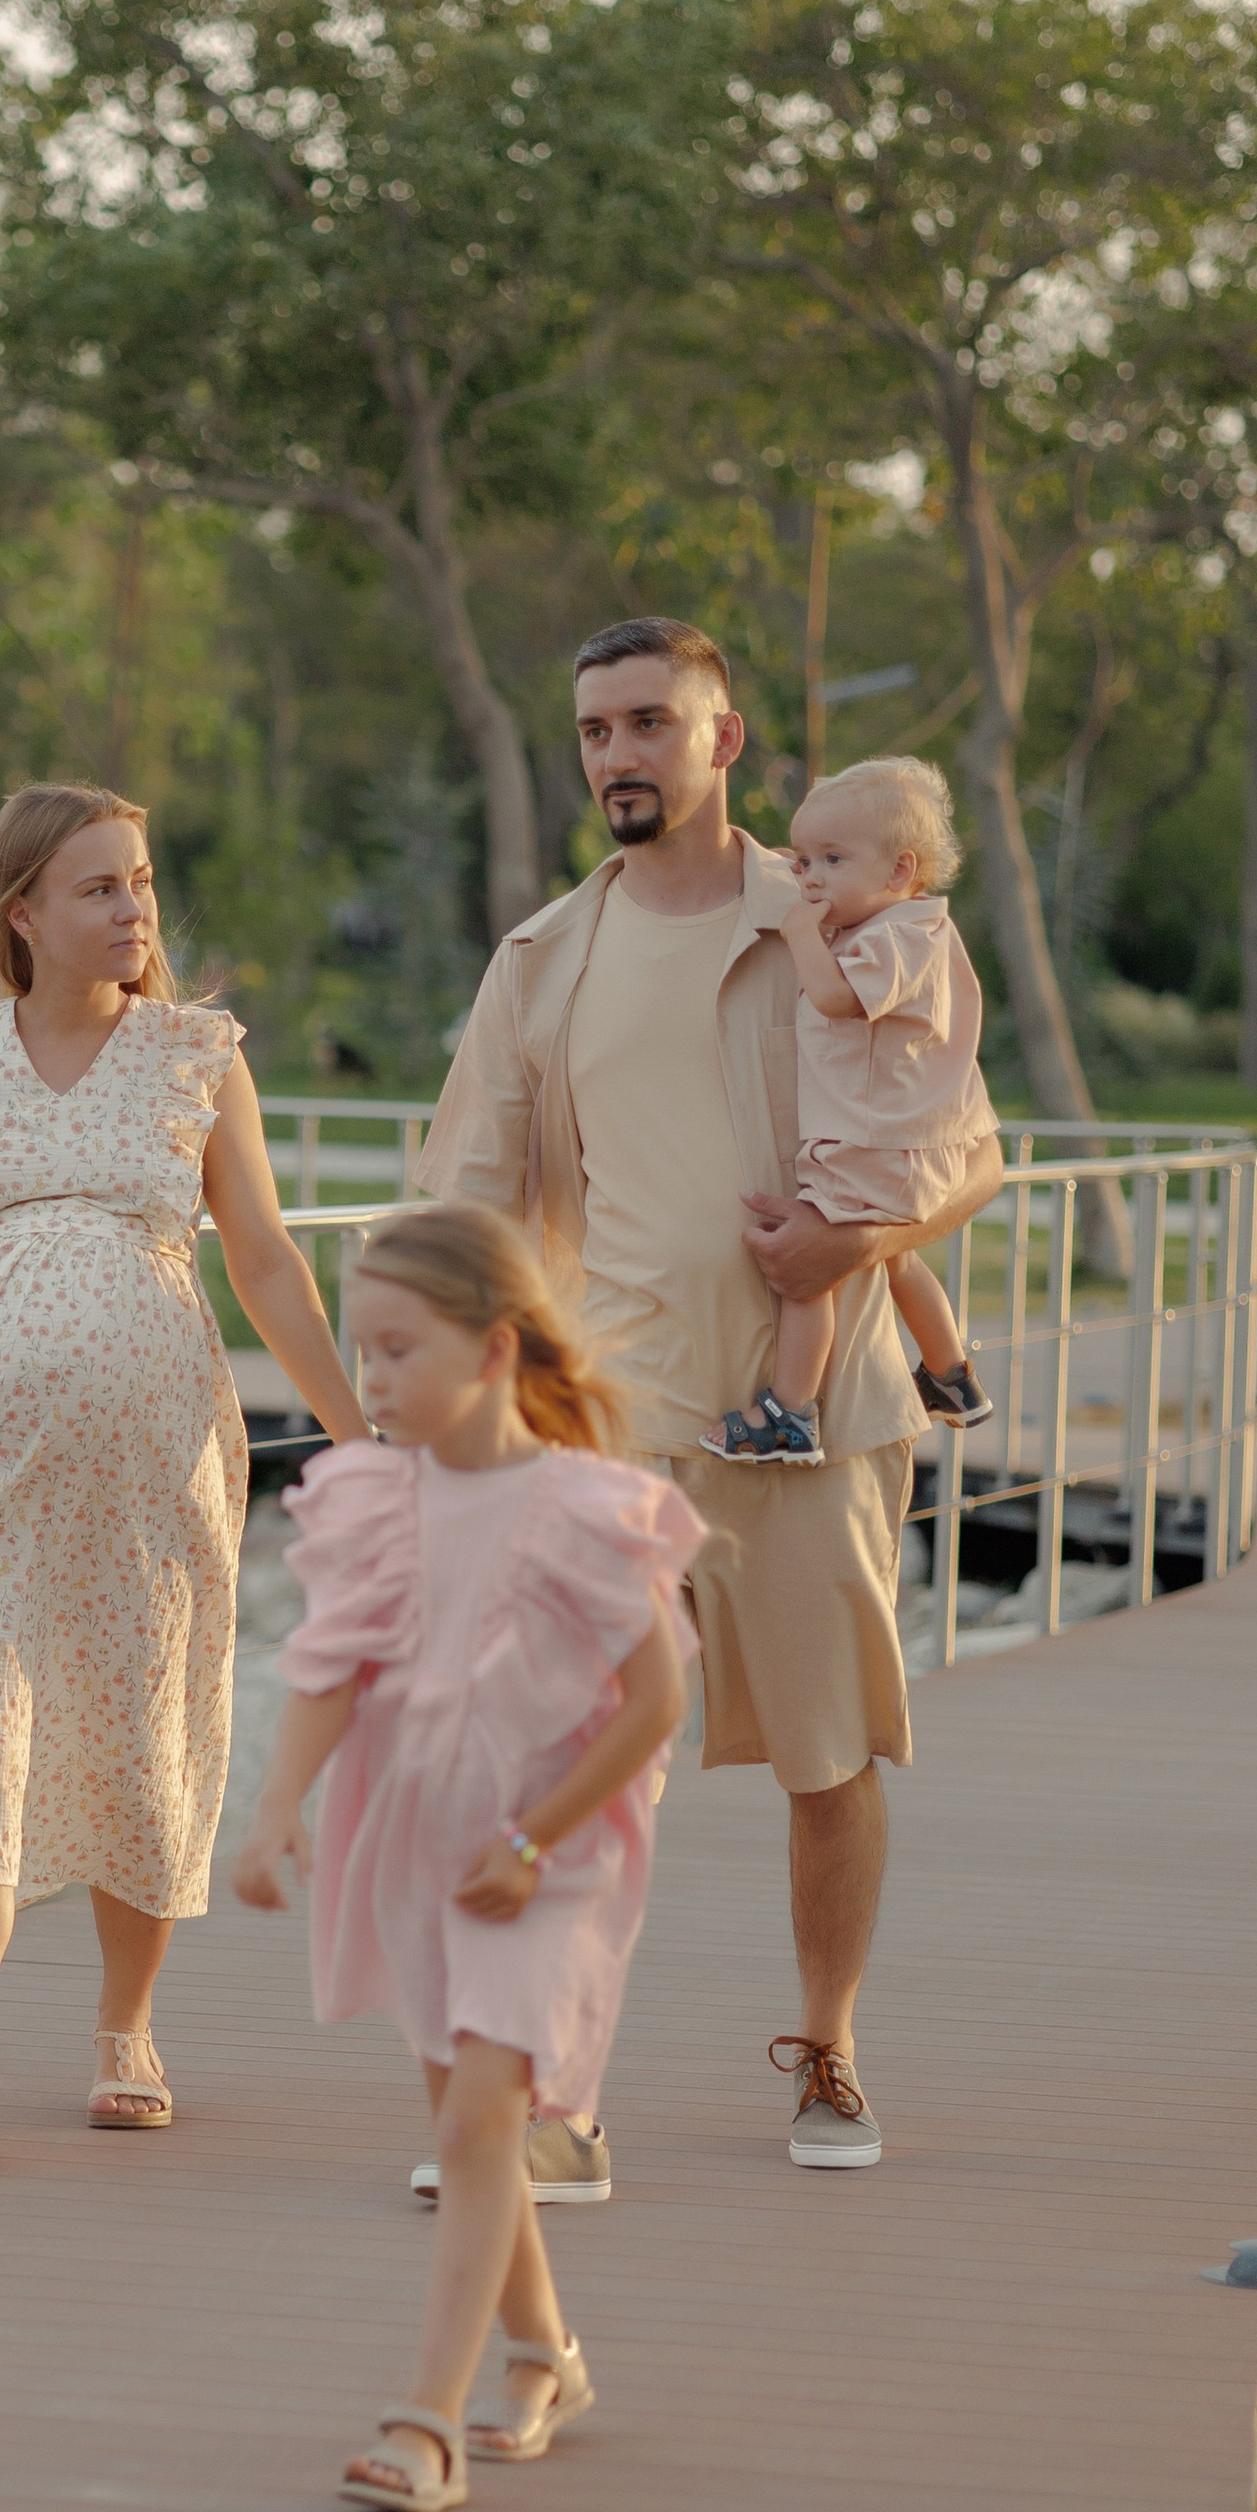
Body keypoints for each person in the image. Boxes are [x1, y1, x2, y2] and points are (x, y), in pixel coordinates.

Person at [417, 615, 1004, 2173]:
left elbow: (966, 1148)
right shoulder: (543, 957)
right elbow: (467, 1193)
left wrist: (858, 1236)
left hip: (818, 1412)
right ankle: (557, 2100)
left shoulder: (845, 909)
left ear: (721, 738)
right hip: (611, 1414)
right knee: (584, 1763)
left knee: (827, 1760)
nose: (620, 754)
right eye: (598, 728)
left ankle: (830, 2052)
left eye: (652, 724)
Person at [0, 781, 368, 2165]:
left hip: (149, 1466)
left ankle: (125, 2025)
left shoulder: (196, 1058)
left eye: (144, 881)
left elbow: (268, 1262)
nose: (136, 909)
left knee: (136, 1717)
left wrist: (359, 1434)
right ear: (20, 912)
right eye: (101, 886)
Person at [231, 1205, 700, 2512]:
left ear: (495, 1352)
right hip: (421, 1841)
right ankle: (547, 2353)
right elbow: (331, 1672)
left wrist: (532, 1838)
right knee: (467, 2123)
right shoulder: (376, 1495)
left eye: (396, 1352)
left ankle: (426, 2422)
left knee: (488, 2115)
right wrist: (273, 1811)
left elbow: (660, 1701)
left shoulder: (589, 1508)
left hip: (542, 1855)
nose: (370, 1382)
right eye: (362, 1355)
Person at [698, 756, 997, 1466]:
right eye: (803, 860)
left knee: (809, 1276)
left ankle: (790, 1414)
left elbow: (835, 998)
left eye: (830, 859)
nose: (810, 879)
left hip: (868, 1143)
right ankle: (952, 1376)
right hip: (902, 1143)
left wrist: (801, 930)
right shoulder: (913, 926)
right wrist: (789, 866)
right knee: (900, 1263)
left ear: (900, 872)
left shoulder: (896, 937)